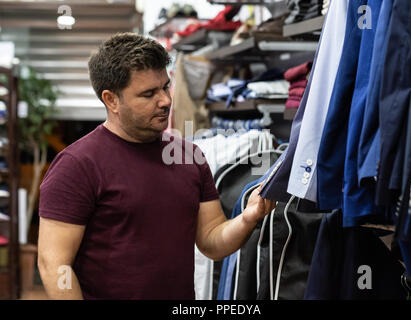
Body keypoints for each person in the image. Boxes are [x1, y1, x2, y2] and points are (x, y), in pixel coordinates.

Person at [37, 32, 276, 300]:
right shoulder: (77, 166)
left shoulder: (189, 157)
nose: (164, 101)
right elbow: (54, 265)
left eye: (165, 87)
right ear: (111, 99)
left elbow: (211, 240)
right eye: (148, 94)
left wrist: (247, 218)